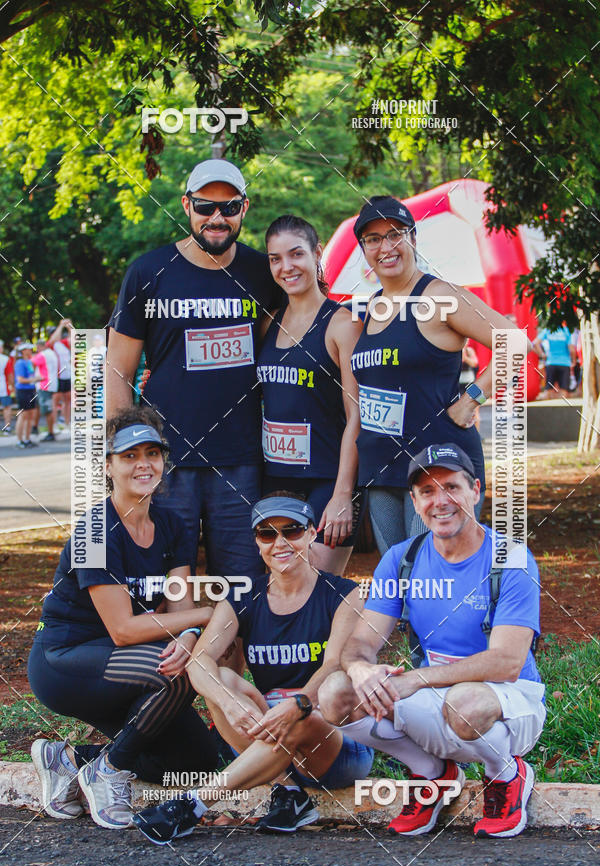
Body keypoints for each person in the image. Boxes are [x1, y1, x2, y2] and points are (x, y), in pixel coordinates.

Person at [318, 443, 545, 839]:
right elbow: (359, 643)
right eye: (427, 491)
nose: (441, 501)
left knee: (465, 703)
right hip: (437, 693)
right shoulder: (402, 559)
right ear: (414, 501)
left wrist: (413, 681)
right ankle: (432, 774)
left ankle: (506, 773)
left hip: (509, 698)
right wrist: (360, 669)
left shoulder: (511, 557)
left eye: (452, 487)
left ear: (476, 490)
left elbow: (507, 662)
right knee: (336, 692)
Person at [132, 493, 374, 845]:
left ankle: (193, 804)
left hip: (332, 743)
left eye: (291, 531)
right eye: (267, 534)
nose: (280, 543)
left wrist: (298, 703)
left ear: (311, 534)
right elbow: (200, 661)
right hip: (269, 738)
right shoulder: (244, 596)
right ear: (257, 541)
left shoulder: (343, 594)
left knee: (302, 716)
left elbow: (335, 664)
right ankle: (288, 794)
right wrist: (228, 703)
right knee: (222, 680)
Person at [28, 407, 220, 830]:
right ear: (109, 466)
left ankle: (67, 759)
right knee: (175, 674)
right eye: (130, 455)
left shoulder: (173, 523)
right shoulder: (95, 532)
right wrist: (207, 615)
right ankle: (108, 771)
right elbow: (123, 629)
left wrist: (188, 631)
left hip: (124, 661)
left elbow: (176, 604)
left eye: (152, 453)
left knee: (195, 763)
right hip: (66, 659)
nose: (143, 464)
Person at [107, 158, 284, 580]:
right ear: (186, 206)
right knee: (167, 582)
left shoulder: (263, 273)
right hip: (167, 461)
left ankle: (233, 650)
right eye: (205, 207)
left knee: (242, 584)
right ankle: (176, 648)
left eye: (229, 207)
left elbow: (280, 351)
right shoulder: (148, 273)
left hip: (241, 460)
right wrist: (121, 456)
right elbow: (117, 374)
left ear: (245, 207)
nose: (217, 218)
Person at [350, 195, 527, 555]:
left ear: (413, 239)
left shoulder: (439, 297)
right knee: (399, 576)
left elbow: (514, 342)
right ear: (364, 249)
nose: (386, 246)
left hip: (439, 465)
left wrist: (470, 399)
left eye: (395, 234)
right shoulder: (369, 309)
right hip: (382, 465)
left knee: (436, 573)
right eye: (373, 238)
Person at [257, 216, 364, 574]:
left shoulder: (342, 324)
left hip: (326, 480)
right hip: (274, 482)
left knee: (310, 585)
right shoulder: (268, 323)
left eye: (296, 254)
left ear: (317, 253)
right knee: (275, 591)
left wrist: (342, 495)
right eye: (275, 258)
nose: (286, 267)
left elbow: (357, 416)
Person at [534, 324, 577, 399]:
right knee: (564, 391)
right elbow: (572, 349)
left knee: (548, 390)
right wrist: (573, 360)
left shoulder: (548, 329)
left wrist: (542, 355)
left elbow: (535, 343)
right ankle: (563, 409)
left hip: (551, 362)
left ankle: (547, 409)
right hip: (564, 363)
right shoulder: (566, 331)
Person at [32, 339, 59, 442]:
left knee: (47, 410)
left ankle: (50, 433)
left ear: (39, 346)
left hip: (44, 385)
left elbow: (30, 363)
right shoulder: (52, 353)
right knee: (40, 407)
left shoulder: (42, 355)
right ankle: (36, 427)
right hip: (51, 384)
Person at [46, 318, 72, 426]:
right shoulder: (51, 345)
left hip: (67, 376)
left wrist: (70, 326)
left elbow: (74, 339)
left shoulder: (65, 343)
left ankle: (66, 423)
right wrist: (60, 326)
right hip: (57, 377)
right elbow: (53, 340)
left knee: (68, 401)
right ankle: (55, 423)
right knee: (55, 402)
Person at [14, 343, 39, 448]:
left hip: (31, 390)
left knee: (31, 415)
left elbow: (31, 375)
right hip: (23, 391)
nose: (30, 350)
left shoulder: (29, 362)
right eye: (28, 349)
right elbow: (20, 379)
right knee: (23, 415)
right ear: (23, 351)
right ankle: (20, 441)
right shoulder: (19, 363)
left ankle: (27, 439)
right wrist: (35, 379)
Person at [0, 339, 13, 435]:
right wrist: (12, 386)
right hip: (3, 387)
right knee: (7, 407)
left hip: (4, 386)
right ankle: (7, 428)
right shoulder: (5, 359)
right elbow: (9, 375)